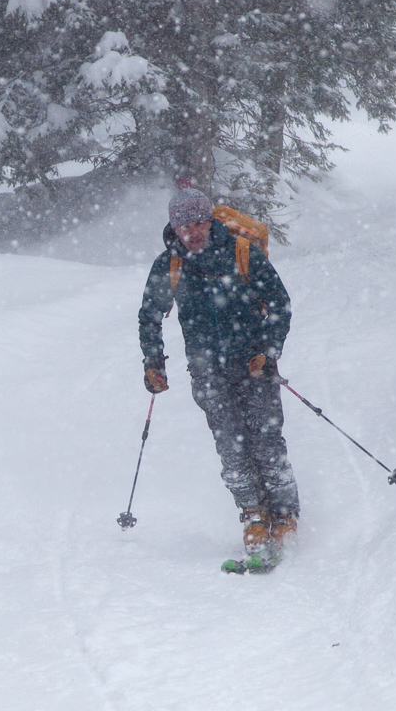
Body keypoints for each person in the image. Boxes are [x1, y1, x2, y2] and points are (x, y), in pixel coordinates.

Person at [137, 187, 299, 556]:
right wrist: (153, 362)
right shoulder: (170, 265)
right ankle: (253, 515)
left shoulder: (242, 253)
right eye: (184, 226)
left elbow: (279, 303)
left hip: (254, 366)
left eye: (198, 222)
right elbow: (149, 316)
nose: (192, 232)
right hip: (206, 371)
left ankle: (285, 515)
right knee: (231, 445)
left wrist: (269, 352)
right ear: (174, 228)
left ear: (209, 220)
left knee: (266, 441)